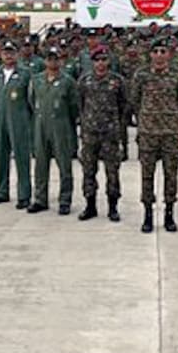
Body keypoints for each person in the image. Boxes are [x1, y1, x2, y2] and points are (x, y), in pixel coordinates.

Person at [129, 38, 178, 233]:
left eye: (163, 51)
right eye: (156, 51)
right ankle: (148, 215)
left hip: (170, 133)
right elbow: (135, 100)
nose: (160, 55)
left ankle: (169, 214)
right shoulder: (141, 75)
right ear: (150, 54)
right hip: (148, 133)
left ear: (169, 54)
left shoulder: (177, 75)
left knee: (171, 176)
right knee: (147, 176)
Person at [77, 46, 126, 222]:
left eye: (104, 60)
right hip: (90, 133)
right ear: (93, 62)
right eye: (97, 60)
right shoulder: (85, 80)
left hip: (110, 134)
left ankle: (113, 207)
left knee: (112, 171)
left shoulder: (118, 81)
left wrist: (115, 124)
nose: (101, 63)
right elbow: (80, 104)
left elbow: (123, 106)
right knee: (89, 170)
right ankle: (90, 206)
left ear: (109, 61)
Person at [29, 47, 78, 215]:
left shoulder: (68, 81)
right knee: (40, 164)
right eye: (49, 58)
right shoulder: (36, 79)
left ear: (61, 60)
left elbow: (74, 107)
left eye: (56, 58)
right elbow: (31, 101)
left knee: (64, 165)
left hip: (61, 126)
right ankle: (40, 199)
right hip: (41, 125)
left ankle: (65, 200)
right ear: (45, 60)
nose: (52, 62)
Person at [0, 40, 34, 208]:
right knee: (1, 155)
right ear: (1, 54)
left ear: (17, 54)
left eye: (11, 52)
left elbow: (31, 99)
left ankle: (24, 194)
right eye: (5, 52)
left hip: (19, 119)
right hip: (0, 118)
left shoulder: (25, 73)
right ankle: (2, 192)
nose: (8, 55)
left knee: (22, 157)